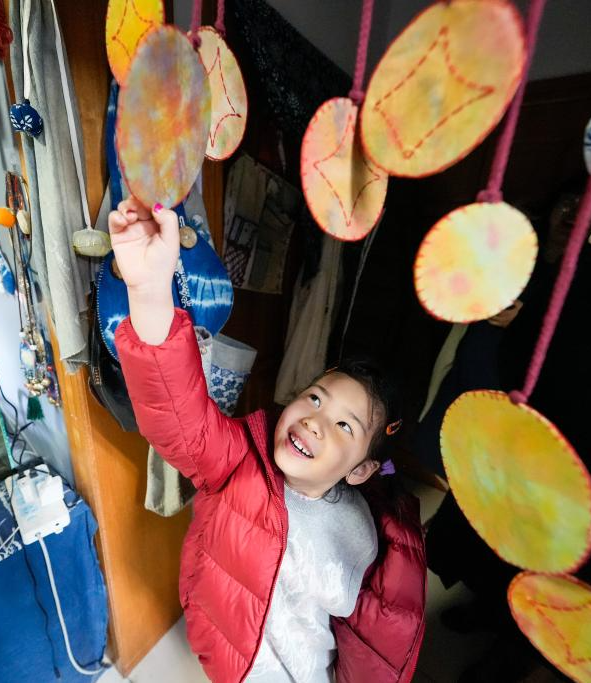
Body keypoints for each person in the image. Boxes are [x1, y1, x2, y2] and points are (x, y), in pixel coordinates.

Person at [109, 197, 427, 683]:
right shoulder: (239, 459)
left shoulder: (359, 530)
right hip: (227, 654)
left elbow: (368, 638)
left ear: (361, 470)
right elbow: (177, 417)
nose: (315, 421)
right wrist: (149, 290)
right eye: (315, 398)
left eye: (345, 426)